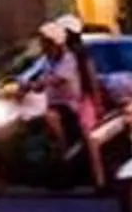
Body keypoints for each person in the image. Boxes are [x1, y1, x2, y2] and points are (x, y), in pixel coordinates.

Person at [37, 17, 107, 188]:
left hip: (81, 101)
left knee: (90, 139)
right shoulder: (52, 57)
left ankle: (100, 180)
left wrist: (97, 103)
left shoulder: (76, 56)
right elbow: (41, 75)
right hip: (61, 102)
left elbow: (87, 80)